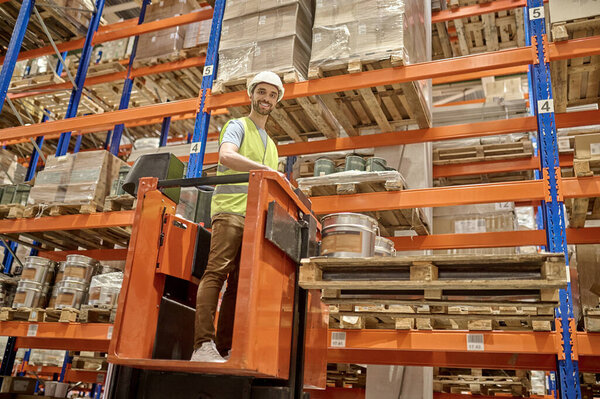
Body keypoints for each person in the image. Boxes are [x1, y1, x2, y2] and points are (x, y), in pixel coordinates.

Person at [191, 71, 285, 362]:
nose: (266, 98)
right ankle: (201, 346)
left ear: (277, 100)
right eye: (262, 92)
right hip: (230, 211)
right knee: (216, 273)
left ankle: (223, 347)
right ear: (251, 94)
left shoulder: (272, 145)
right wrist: (266, 171)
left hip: (255, 220)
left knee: (237, 283)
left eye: (272, 94)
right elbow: (226, 156)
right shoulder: (237, 126)